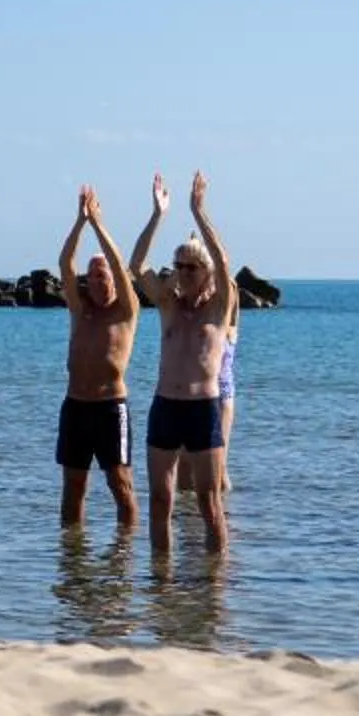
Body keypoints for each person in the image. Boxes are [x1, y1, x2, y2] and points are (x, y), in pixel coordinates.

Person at [132, 172, 239, 554]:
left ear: (206, 273)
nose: (182, 272)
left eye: (191, 267)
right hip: (165, 407)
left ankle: (213, 592)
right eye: (178, 265)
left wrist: (199, 212)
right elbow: (137, 264)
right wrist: (158, 214)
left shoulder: (219, 306)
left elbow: (224, 262)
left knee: (210, 505)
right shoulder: (168, 306)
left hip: (203, 409)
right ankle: (162, 589)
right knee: (161, 503)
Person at [56, 185, 161, 535]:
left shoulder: (126, 310)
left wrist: (99, 225)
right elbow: (64, 264)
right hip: (75, 405)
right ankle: (72, 558)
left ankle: (124, 553)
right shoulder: (80, 309)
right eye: (91, 277)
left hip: (109, 406)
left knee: (120, 484)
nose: (94, 282)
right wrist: (79, 221)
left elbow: (118, 262)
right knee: (73, 488)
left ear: (115, 281)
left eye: (101, 277)